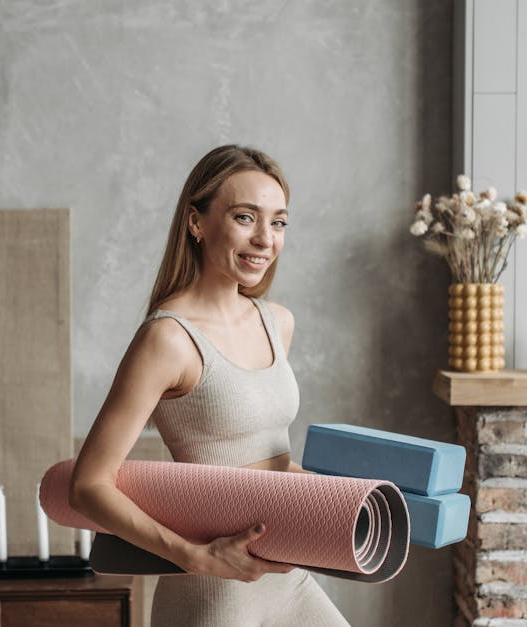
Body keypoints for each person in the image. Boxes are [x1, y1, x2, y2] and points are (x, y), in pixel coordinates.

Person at [69, 145, 349, 626]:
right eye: (246, 217)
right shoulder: (168, 340)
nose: (265, 239)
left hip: (286, 575)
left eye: (278, 222)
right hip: (212, 591)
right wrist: (192, 557)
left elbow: (265, 458)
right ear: (196, 222)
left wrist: (332, 501)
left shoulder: (277, 323)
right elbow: (88, 485)